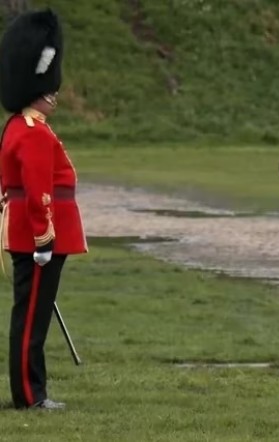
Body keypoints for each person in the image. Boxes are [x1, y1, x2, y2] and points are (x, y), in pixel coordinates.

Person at [0, 8, 87, 410]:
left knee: (31, 316)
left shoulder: (22, 126)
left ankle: (30, 391)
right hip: (40, 236)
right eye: (47, 88)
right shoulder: (32, 132)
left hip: (32, 232)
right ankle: (31, 395)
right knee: (32, 319)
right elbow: (39, 192)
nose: (54, 93)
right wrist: (43, 238)